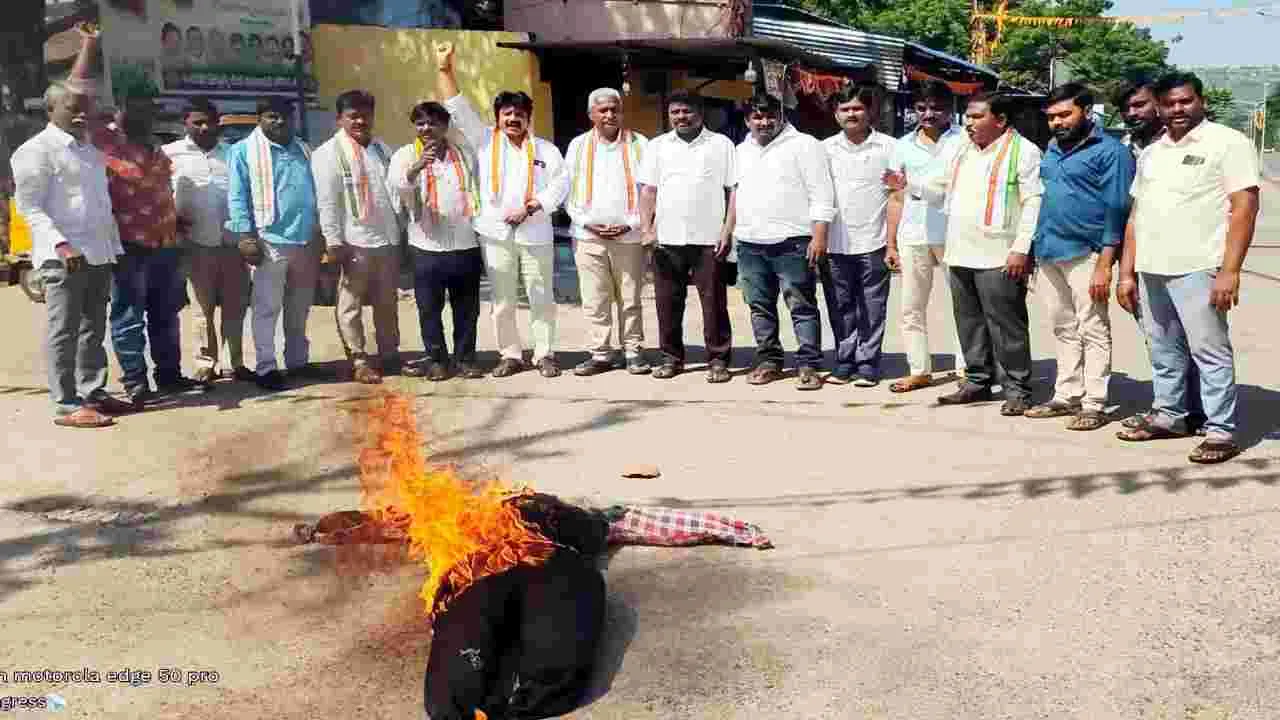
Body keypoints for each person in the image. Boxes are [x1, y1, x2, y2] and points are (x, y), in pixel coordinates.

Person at [1115, 72, 1261, 464]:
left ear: (1202, 101)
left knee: (1209, 353)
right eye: (1169, 103)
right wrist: (1126, 273)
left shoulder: (1228, 142)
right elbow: (1136, 216)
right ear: (1159, 108)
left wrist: (1229, 271)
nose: (1178, 109)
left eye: (1186, 101)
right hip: (1152, 268)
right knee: (1163, 350)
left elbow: (1244, 207)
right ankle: (1170, 415)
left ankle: (1220, 431)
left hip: (1200, 266)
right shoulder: (1153, 152)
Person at [888, 92, 1044, 416]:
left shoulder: (1024, 151)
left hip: (1000, 254)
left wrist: (1020, 249)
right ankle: (977, 381)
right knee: (969, 323)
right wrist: (909, 185)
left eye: (976, 117)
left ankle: (1017, 390)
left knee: (1006, 325)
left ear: (1000, 120)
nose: (968, 123)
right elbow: (940, 190)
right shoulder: (964, 150)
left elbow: (1033, 202)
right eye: (968, 117)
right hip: (959, 250)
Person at [72, 24, 194, 404]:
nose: (144, 109)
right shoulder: (104, 139)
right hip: (127, 248)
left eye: (149, 104)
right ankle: (136, 384)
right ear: (121, 106)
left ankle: (170, 376)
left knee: (166, 314)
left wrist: (176, 223)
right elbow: (77, 94)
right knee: (128, 317)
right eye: (136, 103)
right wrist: (90, 45)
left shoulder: (156, 146)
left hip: (165, 245)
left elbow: (161, 193)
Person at [436, 41, 570, 378]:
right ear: (497, 118)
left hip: (536, 232)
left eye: (519, 114)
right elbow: (456, 106)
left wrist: (532, 206)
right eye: (507, 113)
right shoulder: (484, 140)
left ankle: (544, 354)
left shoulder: (546, 150)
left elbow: (561, 184)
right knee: (503, 300)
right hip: (495, 233)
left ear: (528, 118)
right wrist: (445, 68)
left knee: (541, 297)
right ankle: (510, 354)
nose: (513, 119)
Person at [12, 83, 137, 427]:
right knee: (64, 330)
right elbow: (29, 207)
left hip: (98, 253)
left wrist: (112, 247)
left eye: (86, 108)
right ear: (51, 110)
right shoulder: (35, 151)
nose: (82, 114)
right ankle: (66, 404)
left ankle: (92, 392)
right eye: (72, 108)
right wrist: (61, 244)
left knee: (92, 329)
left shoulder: (89, 152)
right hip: (63, 257)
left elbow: (99, 205)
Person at [1023, 83, 1135, 431]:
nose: (1057, 122)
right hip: (1048, 250)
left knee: (1093, 328)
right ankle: (1066, 395)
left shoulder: (1112, 152)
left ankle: (1094, 403)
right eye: (1052, 117)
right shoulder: (1052, 148)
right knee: (1063, 327)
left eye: (1064, 115)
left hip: (1087, 253)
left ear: (1086, 112)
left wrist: (1105, 263)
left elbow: (1117, 208)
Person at [724, 93, 835, 391]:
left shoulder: (805, 145)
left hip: (793, 241)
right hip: (750, 242)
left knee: (801, 306)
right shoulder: (741, 150)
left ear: (782, 116)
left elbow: (822, 193)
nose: (764, 122)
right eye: (757, 117)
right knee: (759, 306)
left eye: (770, 115)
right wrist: (729, 231)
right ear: (747, 120)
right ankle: (769, 361)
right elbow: (736, 194)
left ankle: (809, 364)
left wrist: (819, 235)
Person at [1117, 78, 1206, 434]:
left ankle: (1198, 412)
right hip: (1142, 255)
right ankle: (1172, 410)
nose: (1132, 113)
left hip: (1190, 258)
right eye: (1127, 108)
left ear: (1158, 104)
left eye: (1140, 105)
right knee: (1160, 339)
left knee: (1197, 340)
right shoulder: (1129, 147)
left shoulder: (1191, 144)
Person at [637, 90, 736, 383]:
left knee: (714, 303)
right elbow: (648, 191)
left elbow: (733, 192)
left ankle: (718, 359)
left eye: (687, 111)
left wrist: (727, 231)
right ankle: (671, 358)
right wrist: (647, 229)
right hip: (666, 238)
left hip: (710, 238)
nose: (681, 117)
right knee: (667, 302)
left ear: (700, 113)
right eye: (675, 112)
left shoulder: (721, 145)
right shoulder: (657, 146)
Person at [225, 97, 320, 392]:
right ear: (260, 119)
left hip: (305, 238)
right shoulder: (243, 151)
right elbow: (237, 196)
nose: (279, 122)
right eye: (272, 116)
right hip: (268, 240)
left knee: (299, 306)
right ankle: (266, 367)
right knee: (266, 307)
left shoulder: (304, 149)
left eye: (285, 117)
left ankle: (297, 361)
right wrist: (245, 237)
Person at [388, 101, 485, 381]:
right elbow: (396, 186)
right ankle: (436, 360)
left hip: (464, 243)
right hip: (426, 246)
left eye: (433, 123)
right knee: (429, 309)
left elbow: (478, 188)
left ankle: (465, 359)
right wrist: (417, 167)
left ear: (445, 126)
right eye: (420, 123)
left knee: (467, 309)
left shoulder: (463, 153)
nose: (426, 128)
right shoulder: (405, 154)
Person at [883, 80, 968, 394]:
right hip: (913, 232)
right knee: (911, 306)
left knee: (963, 303)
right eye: (922, 108)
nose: (929, 114)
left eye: (936, 108)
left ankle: (967, 368)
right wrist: (890, 243)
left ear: (950, 109)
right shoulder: (902, 145)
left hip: (954, 232)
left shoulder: (964, 140)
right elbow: (895, 196)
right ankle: (919, 370)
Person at [312, 90, 401, 384]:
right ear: (339, 119)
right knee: (350, 305)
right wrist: (333, 243)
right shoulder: (327, 153)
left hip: (386, 239)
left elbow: (393, 193)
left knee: (387, 302)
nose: (360, 121)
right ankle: (358, 359)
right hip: (352, 242)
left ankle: (390, 355)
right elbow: (327, 202)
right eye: (353, 116)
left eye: (366, 115)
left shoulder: (381, 149)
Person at [164, 97, 253, 387]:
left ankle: (234, 362)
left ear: (218, 123)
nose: (204, 127)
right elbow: (160, 194)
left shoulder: (233, 154)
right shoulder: (170, 154)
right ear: (185, 124)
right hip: (195, 243)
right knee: (202, 308)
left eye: (210, 122)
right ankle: (205, 363)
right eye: (197, 122)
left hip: (232, 243)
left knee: (235, 307)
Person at [565, 88, 650, 376]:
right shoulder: (578, 145)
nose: (610, 115)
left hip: (630, 235)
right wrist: (586, 221)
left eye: (615, 109)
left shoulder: (640, 143)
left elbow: (650, 190)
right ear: (591, 114)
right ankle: (600, 353)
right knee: (595, 299)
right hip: (588, 236)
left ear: (622, 112)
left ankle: (633, 351)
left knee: (630, 298)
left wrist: (632, 223)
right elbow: (567, 189)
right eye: (603, 110)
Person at [821, 83, 896, 387]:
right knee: (840, 305)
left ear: (870, 112)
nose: (851, 114)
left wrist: (893, 243)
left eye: (857, 108)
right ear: (836, 114)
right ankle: (844, 360)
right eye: (845, 109)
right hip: (835, 242)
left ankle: (868, 362)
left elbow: (897, 195)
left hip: (874, 240)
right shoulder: (824, 149)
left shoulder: (889, 148)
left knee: (873, 306)